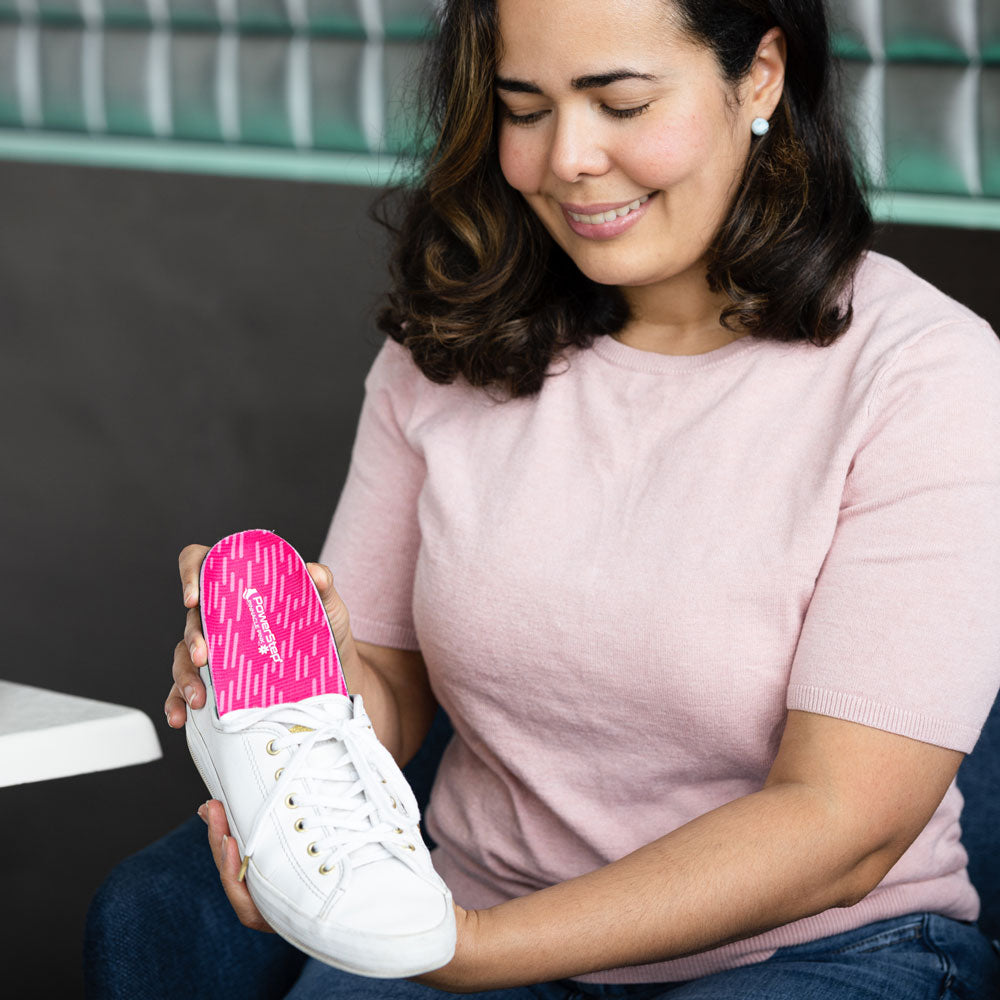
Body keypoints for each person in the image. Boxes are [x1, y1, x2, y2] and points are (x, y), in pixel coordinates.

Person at [93, 0, 1000, 997]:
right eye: (523, 108)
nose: (565, 156)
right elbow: (387, 703)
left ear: (762, 75)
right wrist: (304, 675)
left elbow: (842, 823)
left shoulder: (923, 374)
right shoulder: (446, 348)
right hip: (454, 910)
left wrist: (468, 946)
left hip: (814, 955)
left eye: (619, 101)